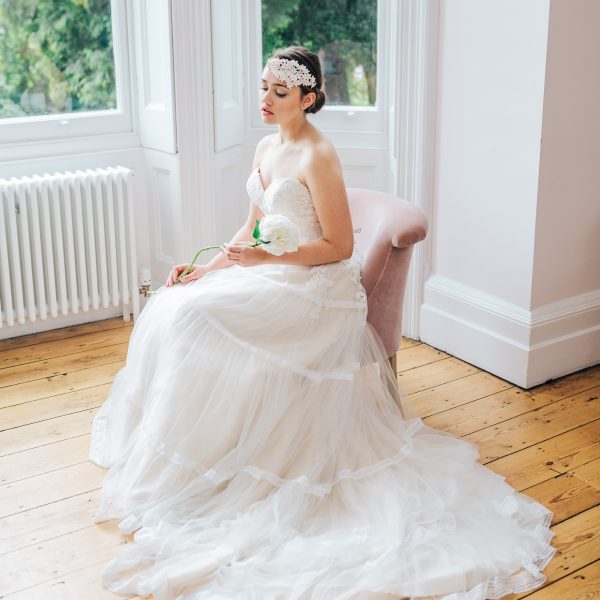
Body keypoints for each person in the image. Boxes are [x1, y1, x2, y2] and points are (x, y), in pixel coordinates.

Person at [89, 45, 556, 599]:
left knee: (195, 322)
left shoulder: (319, 156)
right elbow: (252, 226)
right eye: (263, 87)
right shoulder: (266, 145)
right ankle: (200, 453)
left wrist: (267, 260)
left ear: (308, 98)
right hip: (272, 271)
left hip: (315, 289)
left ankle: (226, 460)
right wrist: (206, 266)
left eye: (279, 92)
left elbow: (337, 248)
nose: (265, 100)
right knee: (175, 306)